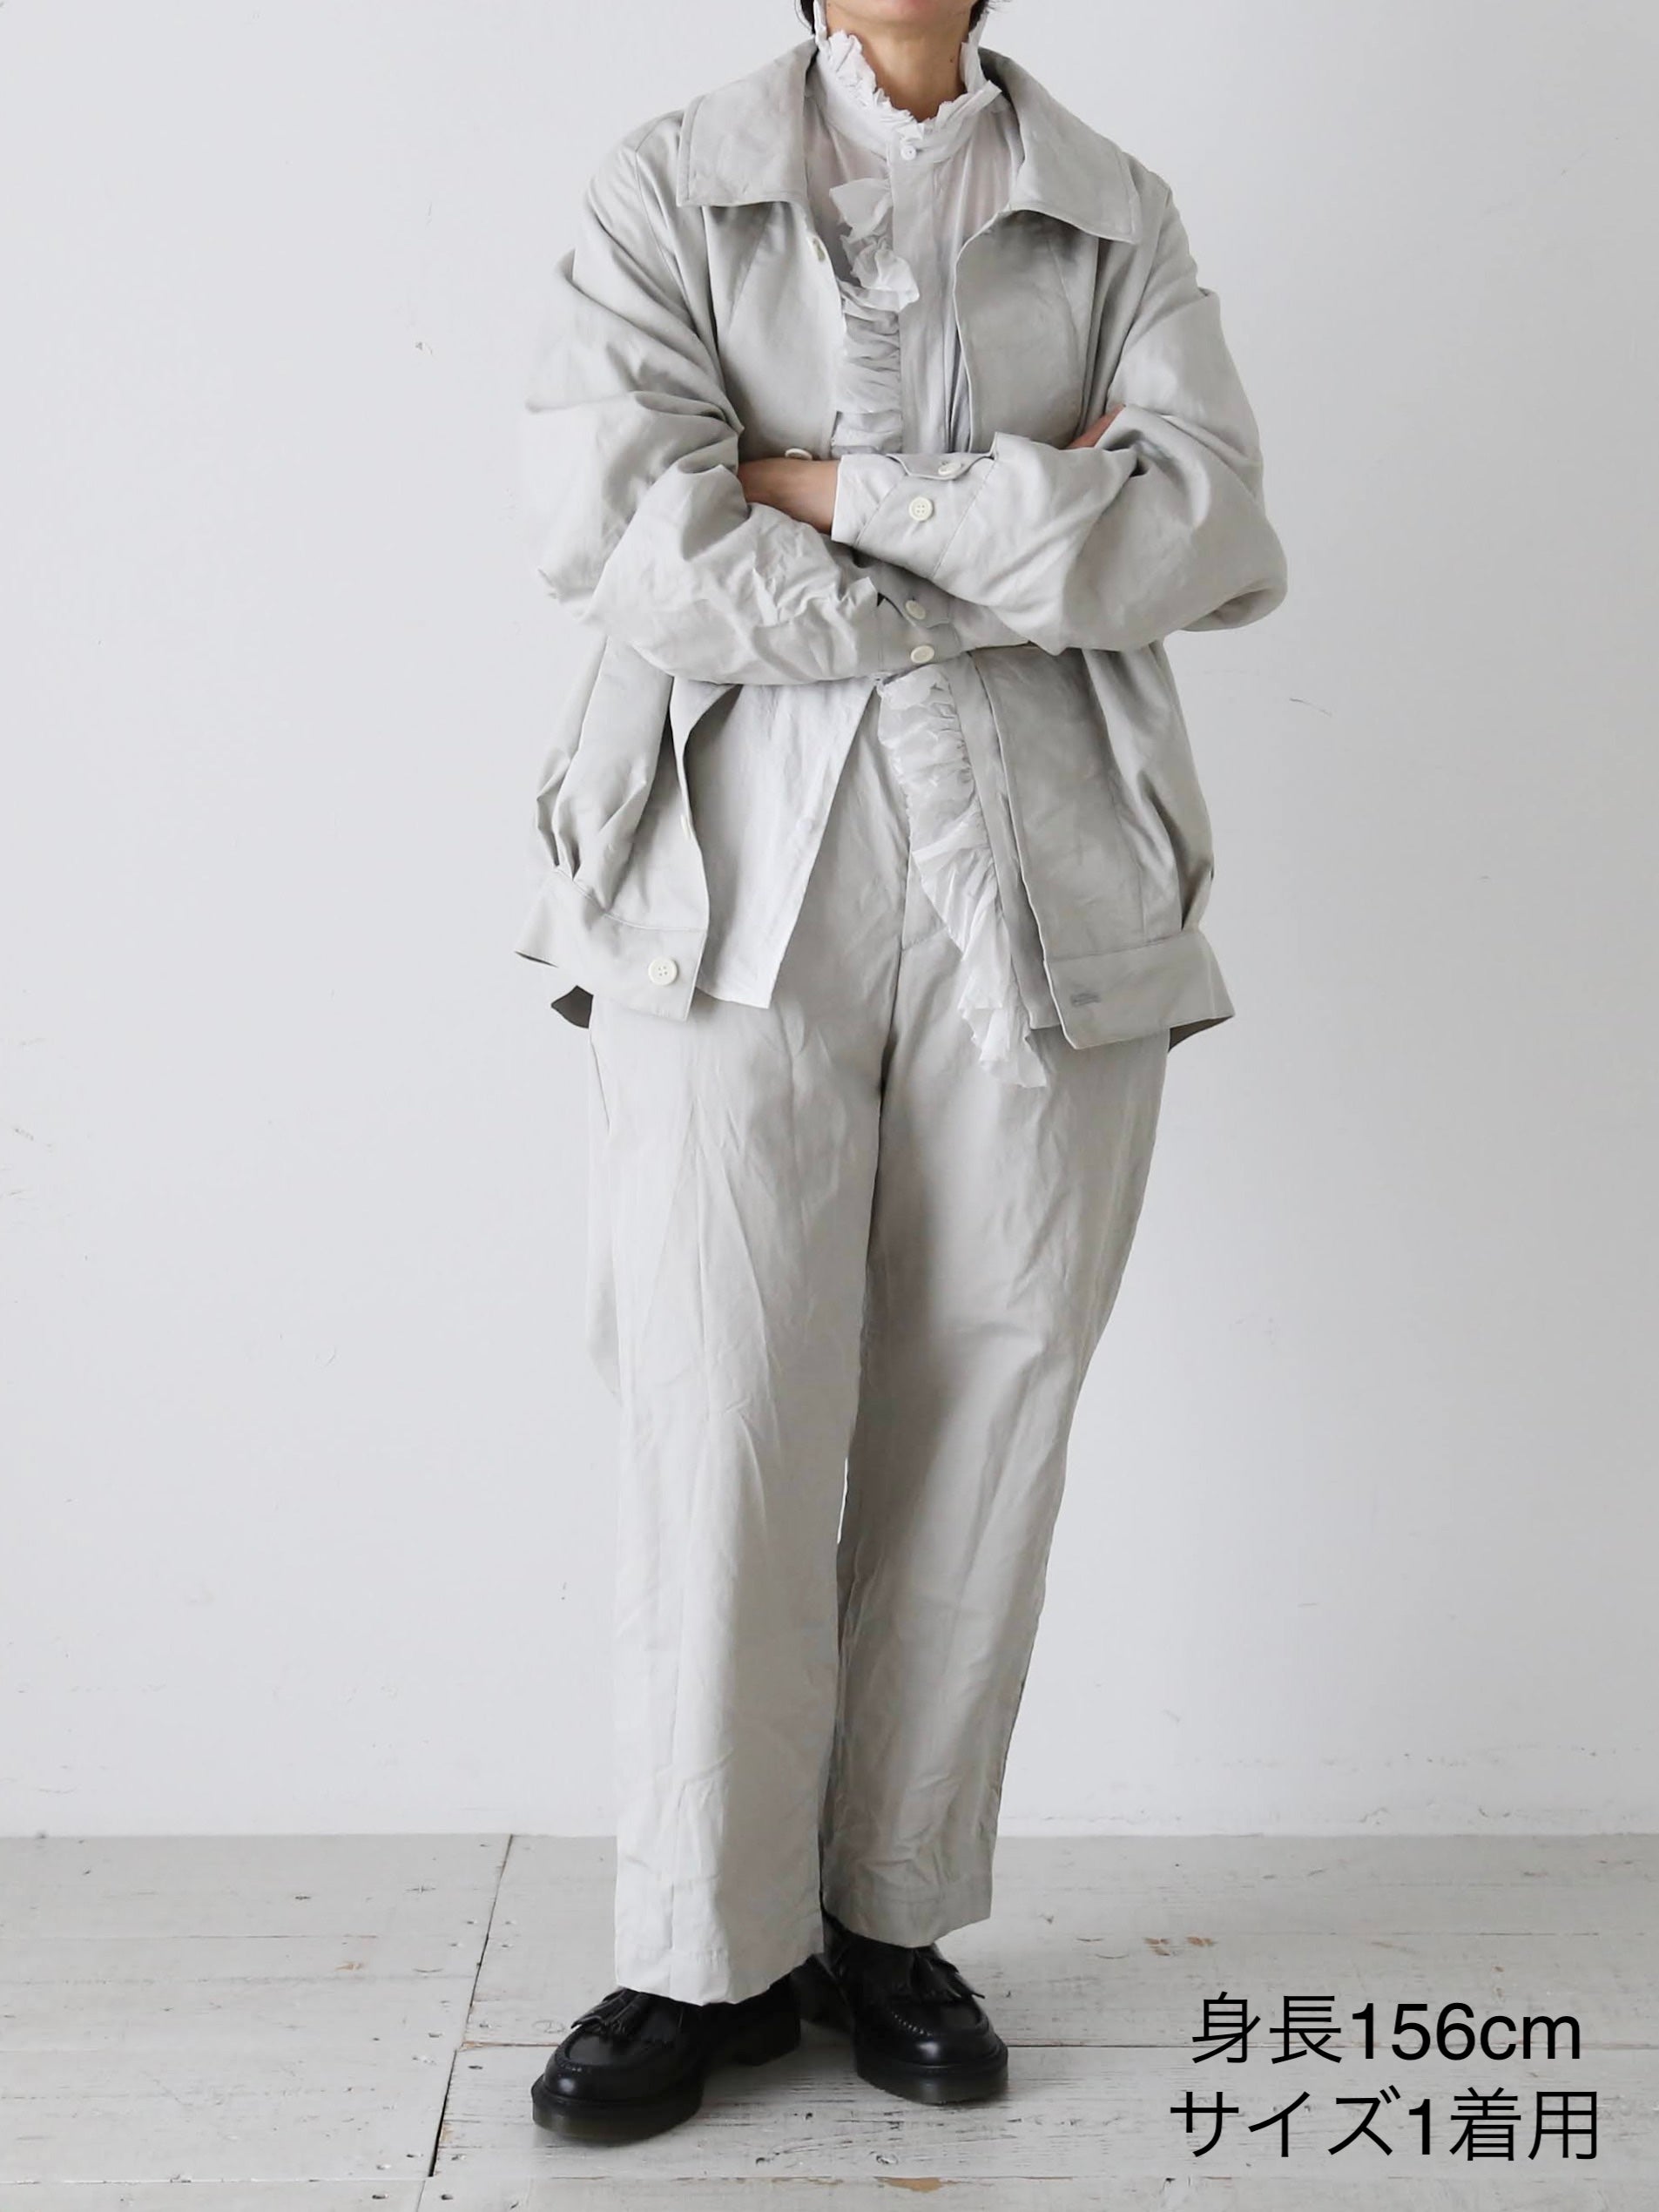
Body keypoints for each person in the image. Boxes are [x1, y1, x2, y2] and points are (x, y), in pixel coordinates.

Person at [517, 0, 1288, 2144]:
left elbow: (1203, 530)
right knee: (718, 1401)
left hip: (1044, 879)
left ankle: (890, 1916)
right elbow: (626, 537)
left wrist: (837, 489)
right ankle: (701, 1943)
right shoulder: (667, 184)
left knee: (986, 1397)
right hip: (720, 872)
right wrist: (1006, 551)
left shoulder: (1110, 211)